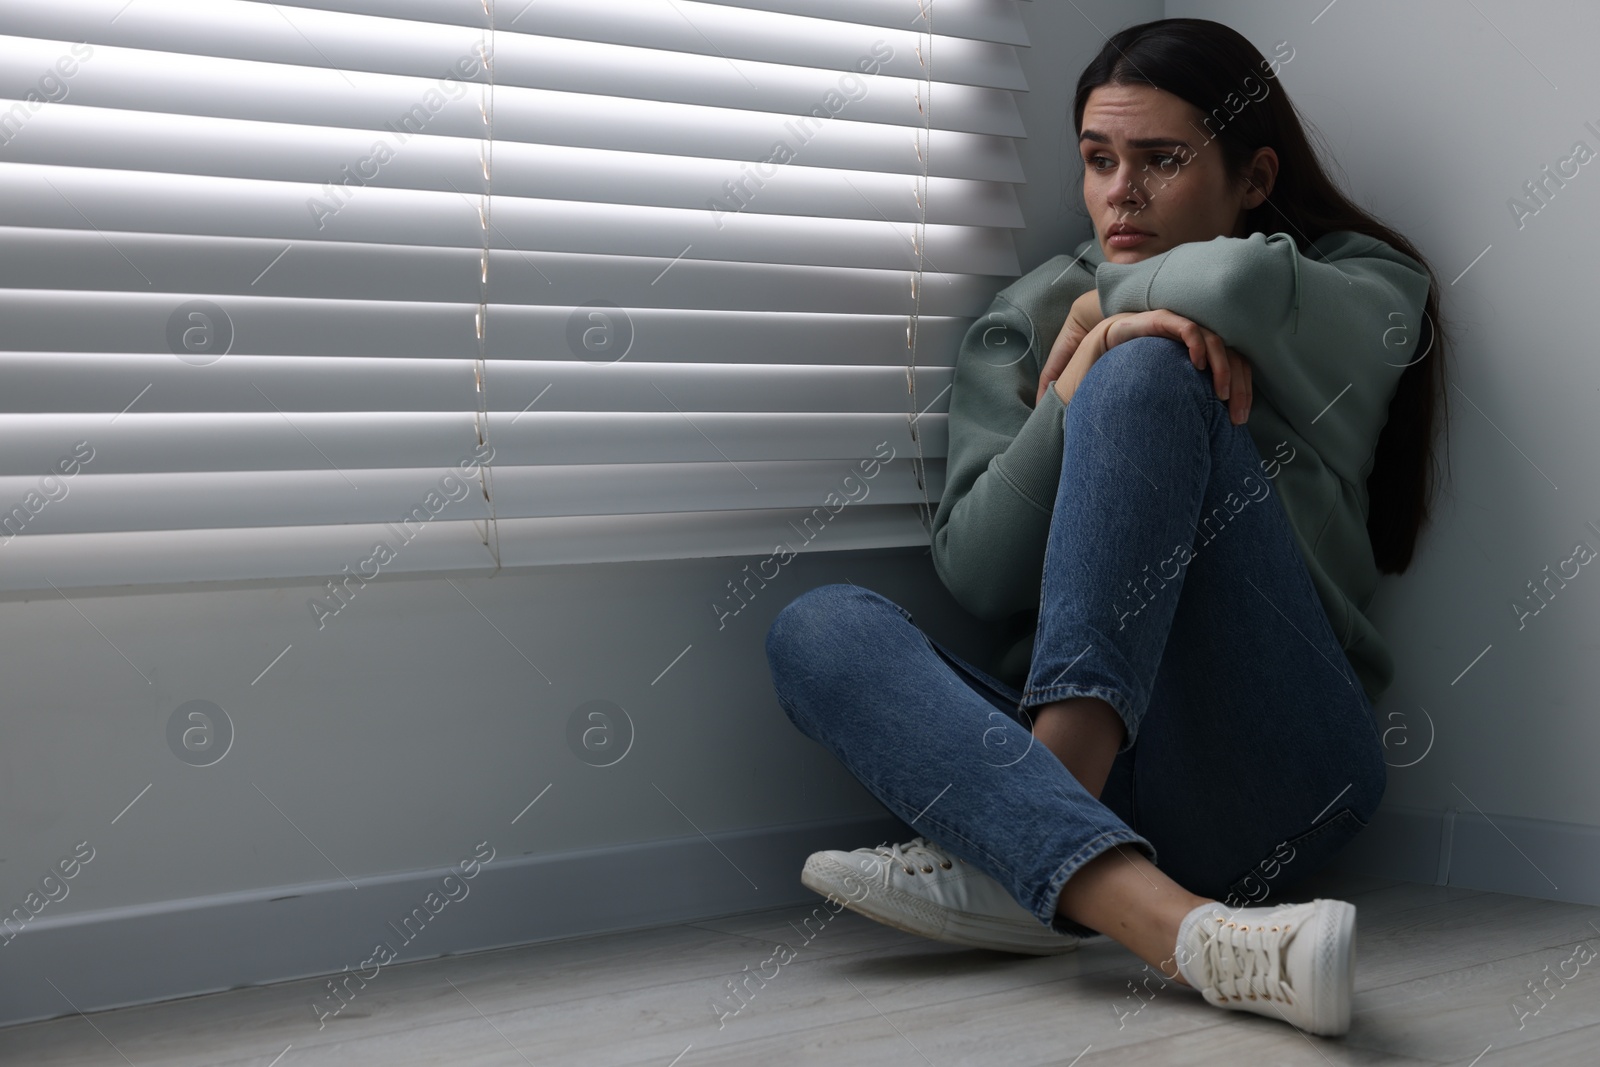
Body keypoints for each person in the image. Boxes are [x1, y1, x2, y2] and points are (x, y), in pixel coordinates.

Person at [763, 17, 1450, 1038]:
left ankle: (1022, 839)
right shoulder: (1023, 315)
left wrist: (1105, 328)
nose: (1118, 192)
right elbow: (981, 569)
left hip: (1277, 768)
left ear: (1253, 176)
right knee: (814, 628)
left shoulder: (1356, 283)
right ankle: (1174, 924)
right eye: (1096, 159)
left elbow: (1231, 282)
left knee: (1146, 373)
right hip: (1127, 799)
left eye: (1161, 160)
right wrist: (1068, 389)